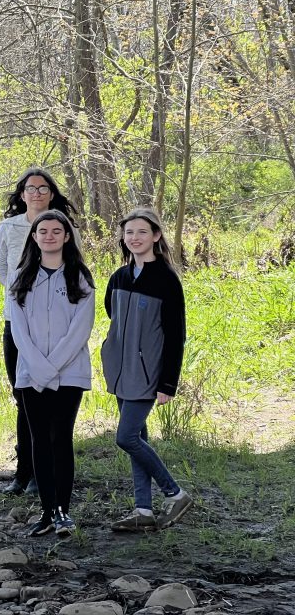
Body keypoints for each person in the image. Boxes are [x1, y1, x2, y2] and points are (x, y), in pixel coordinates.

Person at [102, 207, 194, 532]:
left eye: (142, 232)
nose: (135, 238)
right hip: (120, 369)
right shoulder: (119, 277)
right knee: (137, 438)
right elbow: (111, 315)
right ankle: (143, 511)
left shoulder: (167, 280)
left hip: (148, 373)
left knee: (126, 437)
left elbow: (175, 336)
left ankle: (175, 493)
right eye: (129, 233)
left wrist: (168, 383)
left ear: (156, 235)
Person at [0, 168, 80, 496]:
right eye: (31, 188)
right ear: (22, 194)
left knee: (55, 400)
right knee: (24, 397)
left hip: (57, 328)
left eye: (44, 188)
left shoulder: (65, 228)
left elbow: (76, 267)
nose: (38, 193)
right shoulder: (8, 228)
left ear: (52, 194)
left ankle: (51, 470)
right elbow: (1, 267)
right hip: (17, 323)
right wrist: (25, 294)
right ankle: (23, 472)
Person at [7, 210, 95, 537]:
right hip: (30, 375)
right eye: (42, 231)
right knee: (39, 441)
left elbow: (80, 330)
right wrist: (40, 369)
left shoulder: (80, 277)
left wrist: (52, 367)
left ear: (67, 236)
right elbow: (19, 331)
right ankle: (46, 513)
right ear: (34, 237)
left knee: (61, 440)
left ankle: (63, 513)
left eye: (56, 231)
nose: (49, 236)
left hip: (70, 373)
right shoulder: (20, 279)